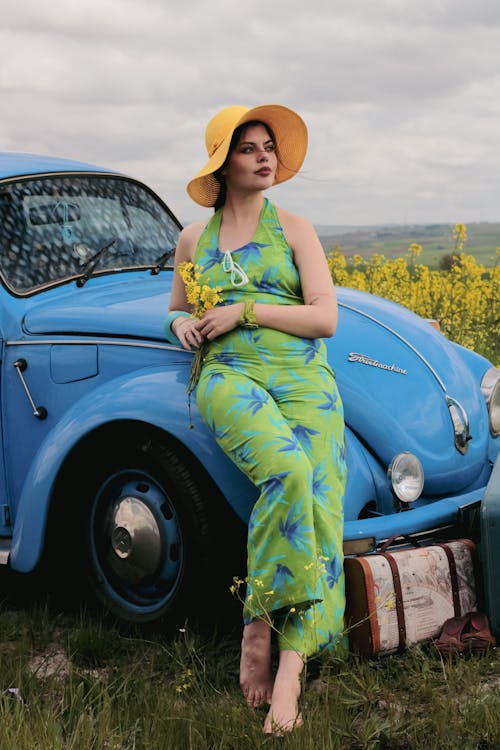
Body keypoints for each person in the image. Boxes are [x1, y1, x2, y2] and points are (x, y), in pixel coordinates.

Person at [165, 104, 346, 734]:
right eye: (249, 148)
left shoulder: (295, 228)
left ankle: (290, 670)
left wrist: (248, 310)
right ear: (223, 162)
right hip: (229, 376)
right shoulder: (194, 239)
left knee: (319, 502)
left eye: (269, 146)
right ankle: (255, 628)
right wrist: (184, 322)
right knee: (287, 471)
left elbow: (325, 319)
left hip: (301, 379)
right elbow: (176, 311)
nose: (265, 156)